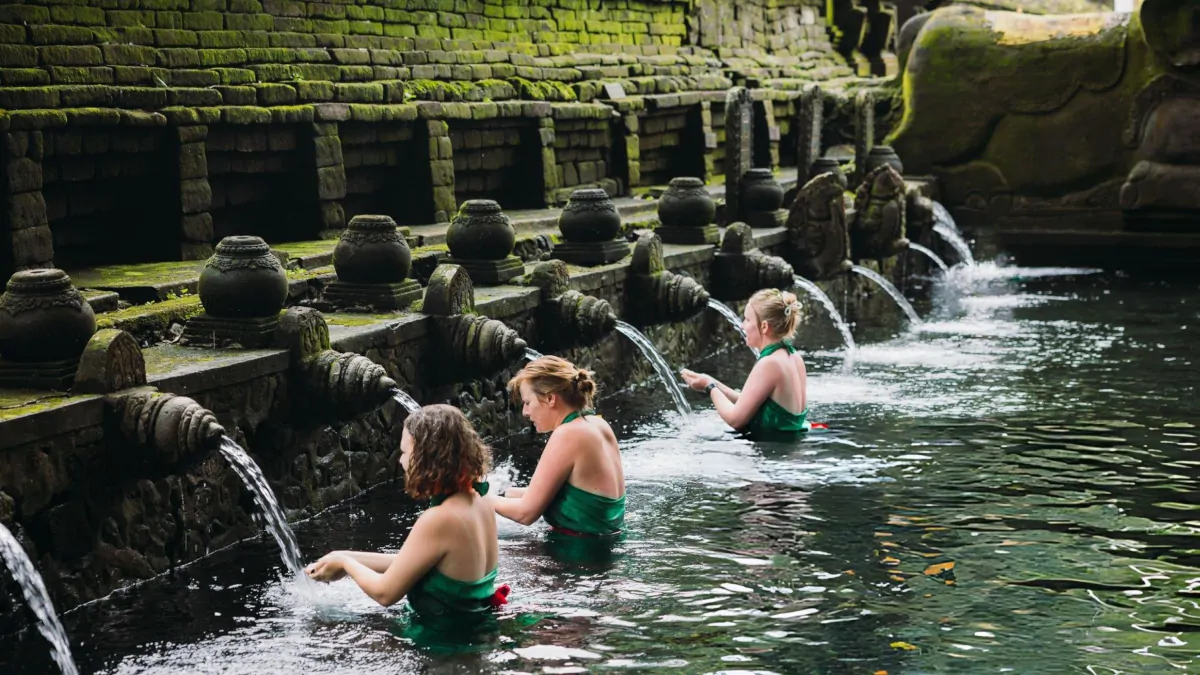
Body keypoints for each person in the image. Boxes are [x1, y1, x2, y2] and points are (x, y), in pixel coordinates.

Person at [305, 404, 509, 616]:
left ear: (426, 457)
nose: (401, 461)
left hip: (439, 643)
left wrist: (346, 565)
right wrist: (343, 556)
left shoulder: (440, 519)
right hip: (475, 635)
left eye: (404, 452)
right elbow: (415, 562)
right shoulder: (480, 499)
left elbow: (385, 593)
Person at [489, 356, 625, 536]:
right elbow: (574, 496)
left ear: (551, 398)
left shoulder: (567, 434)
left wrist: (477, 497)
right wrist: (505, 493)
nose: (525, 412)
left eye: (528, 403)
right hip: (604, 548)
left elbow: (526, 513)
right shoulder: (597, 424)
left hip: (579, 556)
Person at [681, 288, 810, 435]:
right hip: (793, 451)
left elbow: (735, 419)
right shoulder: (793, 357)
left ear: (764, 327)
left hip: (775, 455)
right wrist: (712, 382)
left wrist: (710, 388)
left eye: (747, 320)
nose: (742, 325)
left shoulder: (769, 364)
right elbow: (747, 401)